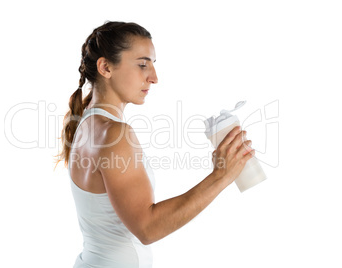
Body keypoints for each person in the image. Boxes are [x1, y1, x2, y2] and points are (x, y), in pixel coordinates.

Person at [55, 21, 255, 268]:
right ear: (105, 67)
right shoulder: (114, 133)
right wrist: (222, 176)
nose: (154, 77)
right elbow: (147, 228)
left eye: (152, 64)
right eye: (142, 64)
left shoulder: (88, 121)